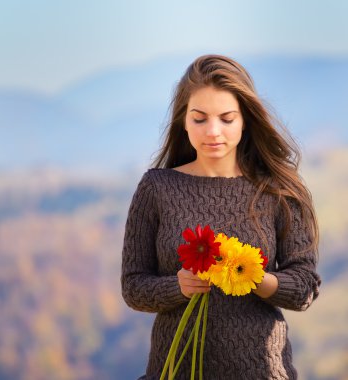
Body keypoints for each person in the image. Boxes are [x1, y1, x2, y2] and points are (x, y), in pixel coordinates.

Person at [121, 54, 321, 380]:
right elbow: (133, 286)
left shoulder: (278, 191)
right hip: (174, 370)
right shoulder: (156, 188)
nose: (213, 132)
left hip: (262, 371)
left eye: (227, 119)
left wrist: (255, 278)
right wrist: (179, 286)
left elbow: (304, 288)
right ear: (183, 121)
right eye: (200, 119)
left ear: (245, 121)